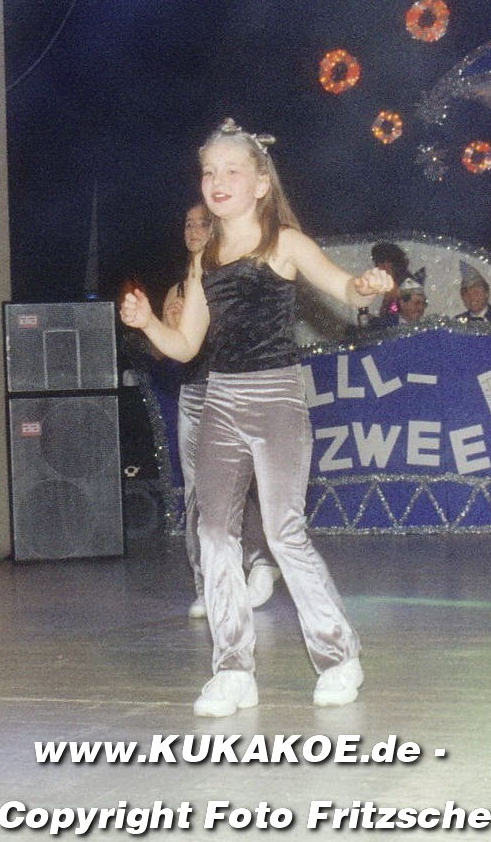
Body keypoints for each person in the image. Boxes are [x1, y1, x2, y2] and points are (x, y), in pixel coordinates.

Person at [120, 118, 386, 717]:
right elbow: (186, 346)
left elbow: (347, 289)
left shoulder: (284, 243)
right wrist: (148, 323)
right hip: (220, 403)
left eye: (231, 171)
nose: (217, 181)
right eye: (208, 172)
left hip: (275, 401)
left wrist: (367, 285)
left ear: (261, 183)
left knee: (284, 532)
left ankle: (339, 656)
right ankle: (233, 670)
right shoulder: (204, 258)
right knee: (214, 534)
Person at [163, 205, 279, 619]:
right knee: (197, 492)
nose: (194, 230)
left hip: (232, 388)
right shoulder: (178, 288)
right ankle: (208, 586)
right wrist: (164, 326)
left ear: (217, 228)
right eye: (188, 223)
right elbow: (173, 351)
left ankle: (261, 561)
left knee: (236, 485)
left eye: (203, 223)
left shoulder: (233, 275)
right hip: (195, 393)